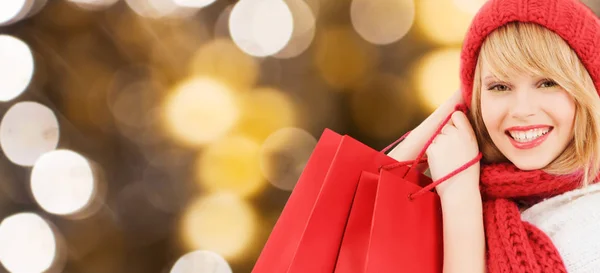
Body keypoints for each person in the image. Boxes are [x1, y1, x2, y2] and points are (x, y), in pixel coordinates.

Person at [388, 0, 600, 272]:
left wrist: (460, 198)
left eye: (548, 83)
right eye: (500, 86)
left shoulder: (588, 224)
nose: (522, 110)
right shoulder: (478, 189)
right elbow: (349, 211)